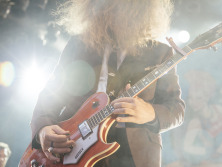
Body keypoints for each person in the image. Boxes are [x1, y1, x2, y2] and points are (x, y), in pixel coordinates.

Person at [30, 0, 185, 167]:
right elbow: (50, 96)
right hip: (72, 147)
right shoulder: (78, 45)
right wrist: (43, 129)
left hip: (134, 154)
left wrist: (150, 113)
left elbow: (176, 109)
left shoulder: (160, 52)